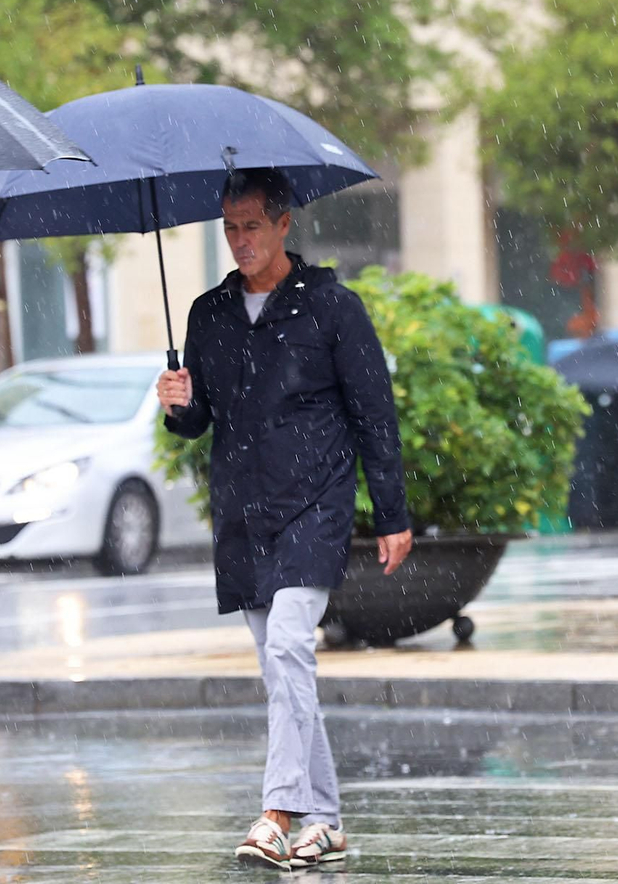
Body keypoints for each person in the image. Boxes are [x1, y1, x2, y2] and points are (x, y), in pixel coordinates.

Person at [158, 169, 412, 870]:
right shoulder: (208, 313)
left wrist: (392, 512)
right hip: (244, 512)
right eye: (230, 228)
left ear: (282, 223)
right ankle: (324, 819)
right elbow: (202, 418)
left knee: (289, 647)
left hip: (317, 503)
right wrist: (178, 404)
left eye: (251, 226)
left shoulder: (333, 307)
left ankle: (276, 812)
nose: (240, 240)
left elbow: (374, 414)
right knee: (283, 669)